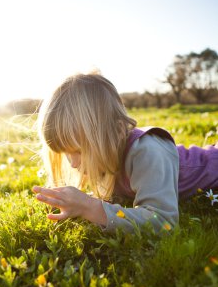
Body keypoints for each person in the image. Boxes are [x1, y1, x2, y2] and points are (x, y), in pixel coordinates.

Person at [32, 73, 218, 234]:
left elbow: (163, 222)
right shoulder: (107, 152)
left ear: (118, 130)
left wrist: (89, 207)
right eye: (67, 153)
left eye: (79, 151)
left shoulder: (147, 151)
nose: (73, 163)